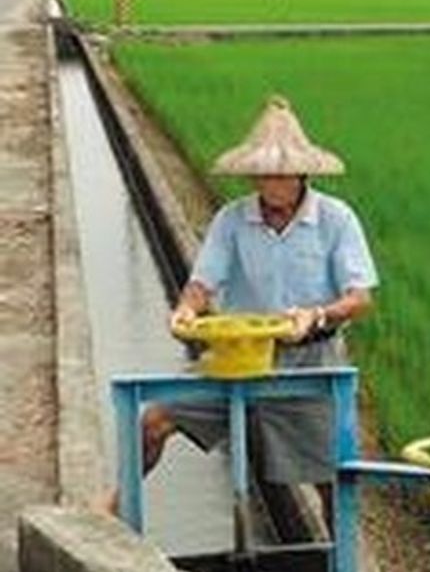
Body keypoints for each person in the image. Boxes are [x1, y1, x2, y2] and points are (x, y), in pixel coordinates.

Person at [101, 95, 378, 525]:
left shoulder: (335, 220)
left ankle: (341, 559)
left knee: (330, 475)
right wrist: (186, 310)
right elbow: (202, 283)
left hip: (309, 361)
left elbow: (359, 296)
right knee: (153, 421)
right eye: (261, 174)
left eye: (279, 174)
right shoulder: (233, 220)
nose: (269, 184)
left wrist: (316, 316)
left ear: (300, 174)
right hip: (238, 358)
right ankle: (112, 513)